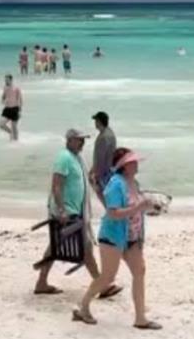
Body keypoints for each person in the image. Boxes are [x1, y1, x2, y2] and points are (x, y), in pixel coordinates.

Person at [73, 148, 160, 329]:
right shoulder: (115, 184)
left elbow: (137, 208)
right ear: (124, 166)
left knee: (140, 272)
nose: (137, 164)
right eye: (133, 162)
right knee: (107, 277)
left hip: (133, 238)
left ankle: (140, 318)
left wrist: (150, 208)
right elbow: (113, 213)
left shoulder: (133, 182)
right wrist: (139, 208)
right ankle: (83, 308)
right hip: (112, 237)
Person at [34, 129, 120, 299]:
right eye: (79, 140)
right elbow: (57, 185)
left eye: (84, 140)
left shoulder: (77, 158)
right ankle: (101, 285)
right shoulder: (63, 157)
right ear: (70, 140)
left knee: (59, 246)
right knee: (84, 247)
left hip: (76, 211)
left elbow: (82, 179)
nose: (83, 143)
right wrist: (61, 210)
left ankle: (41, 282)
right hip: (67, 212)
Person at [89, 111, 117, 203]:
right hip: (110, 170)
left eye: (96, 121)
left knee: (104, 197)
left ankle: (111, 214)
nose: (95, 123)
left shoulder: (103, 137)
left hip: (104, 172)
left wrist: (95, 174)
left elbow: (100, 158)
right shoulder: (110, 133)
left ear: (99, 121)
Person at [0, 74, 23, 141]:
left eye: (7, 80)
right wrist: (3, 100)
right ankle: (11, 133)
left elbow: (20, 99)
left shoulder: (16, 88)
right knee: (1, 124)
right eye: (5, 80)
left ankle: (16, 142)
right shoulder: (5, 87)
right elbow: (3, 96)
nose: (6, 81)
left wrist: (20, 111)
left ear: (11, 80)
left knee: (14, 126)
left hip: (15, 109)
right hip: (7, 109)